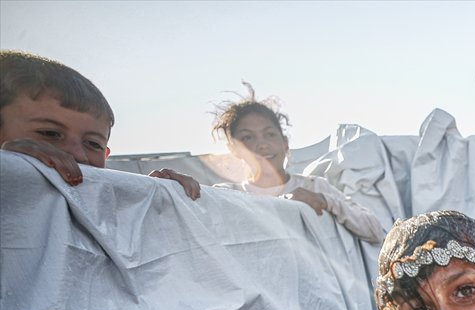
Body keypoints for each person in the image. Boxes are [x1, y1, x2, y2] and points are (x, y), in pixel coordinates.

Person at [0, 50, 200, 199]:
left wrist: (155, 197)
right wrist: (9, 167)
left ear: (106, 155)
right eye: (49, 133)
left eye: (93, 144)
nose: (78, 154)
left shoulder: (107, 202)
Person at [211, 86, 385, 244]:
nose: (262, 144)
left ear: (285, 143)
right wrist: (184, 193)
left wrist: (326, 202)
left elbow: (375, 232)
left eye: (270, 134)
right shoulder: (227, 196)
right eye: (248, 137)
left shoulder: (314, 187)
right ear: (234, 149)